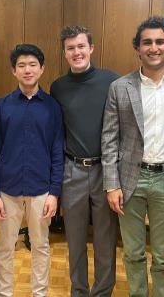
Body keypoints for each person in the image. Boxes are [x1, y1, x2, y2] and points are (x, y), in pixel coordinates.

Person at [101, 16, 164, 297]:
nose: (154, 47)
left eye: (160, 42)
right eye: (146, 42)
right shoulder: (120, 87)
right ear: (138, 48)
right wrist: (111, 184)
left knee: (163, 257)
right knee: (133, 253)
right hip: (130, 181)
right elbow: (110, 139)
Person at [0, 44, 64, 297]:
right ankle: (3, 293)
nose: (27, 70)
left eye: (32, 65)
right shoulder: (1, 107)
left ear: (41, 69)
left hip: (41, 189)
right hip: (7, 190)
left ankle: (39, 294)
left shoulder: (52, 107)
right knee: (6, 246)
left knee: (40, 246)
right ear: (13, 71)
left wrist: (54, 192)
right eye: (21, 65)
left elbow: (57, 151)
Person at [50, 25, 119, 297]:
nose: (76, 52)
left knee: (105, 239)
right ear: (65, 53)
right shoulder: (58, 87)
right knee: (75, 239)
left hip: (105, 170)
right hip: (72, 170)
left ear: (91, 48)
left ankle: (102, 292)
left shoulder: (112, 81)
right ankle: (78, 291)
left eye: (81, 46)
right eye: (70, 48)